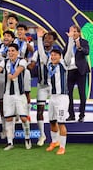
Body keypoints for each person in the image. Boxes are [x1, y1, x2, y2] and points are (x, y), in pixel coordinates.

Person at [0, 43, 31, 151]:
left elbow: (18, 71)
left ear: (17, 52)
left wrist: (13, 76)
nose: (10, 53)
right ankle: (10, 142)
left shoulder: (22, 61)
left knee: (24, 118)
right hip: (8, 95)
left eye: (12, 50)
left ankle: (27, 138)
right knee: (9, 118)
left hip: (20, 95)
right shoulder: (4, 61)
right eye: (9, 51)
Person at [37, 27, 74, 155]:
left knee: (61, 122)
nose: (52, 56)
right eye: (52, 55)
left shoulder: (64, 64)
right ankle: (54, 142)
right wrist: (39, 38)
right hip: (52, 97)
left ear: (60, 56)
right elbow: (42, 53)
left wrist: (70, 38)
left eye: (55, 55)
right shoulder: (48, 64)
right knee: (52, 121)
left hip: (62, 98)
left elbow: (69, 52)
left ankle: (62, 147)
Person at [27, 30, 58, 146]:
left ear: (54, 40)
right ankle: (42, 135)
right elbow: (32, 65)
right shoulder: (37, 53)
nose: (47, 40)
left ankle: (56, 136)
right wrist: (25, 65)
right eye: (45, 38)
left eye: (49, 38)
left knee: (54, 112)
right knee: (39, 110)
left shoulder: (57, 53)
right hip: (42, 85)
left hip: (54, 86)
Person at [63, 25, 90, 122]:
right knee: (69, 94)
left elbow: (87, 52)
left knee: (82, 94)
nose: (73, 33)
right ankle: (71, 115)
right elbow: (64, 54)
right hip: (70, 70)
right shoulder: (68, 43)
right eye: (71, 31)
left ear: (78, 32)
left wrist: (80, 48)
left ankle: (81, 115)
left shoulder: (84, 42)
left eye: (75, 31)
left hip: (80, 71)